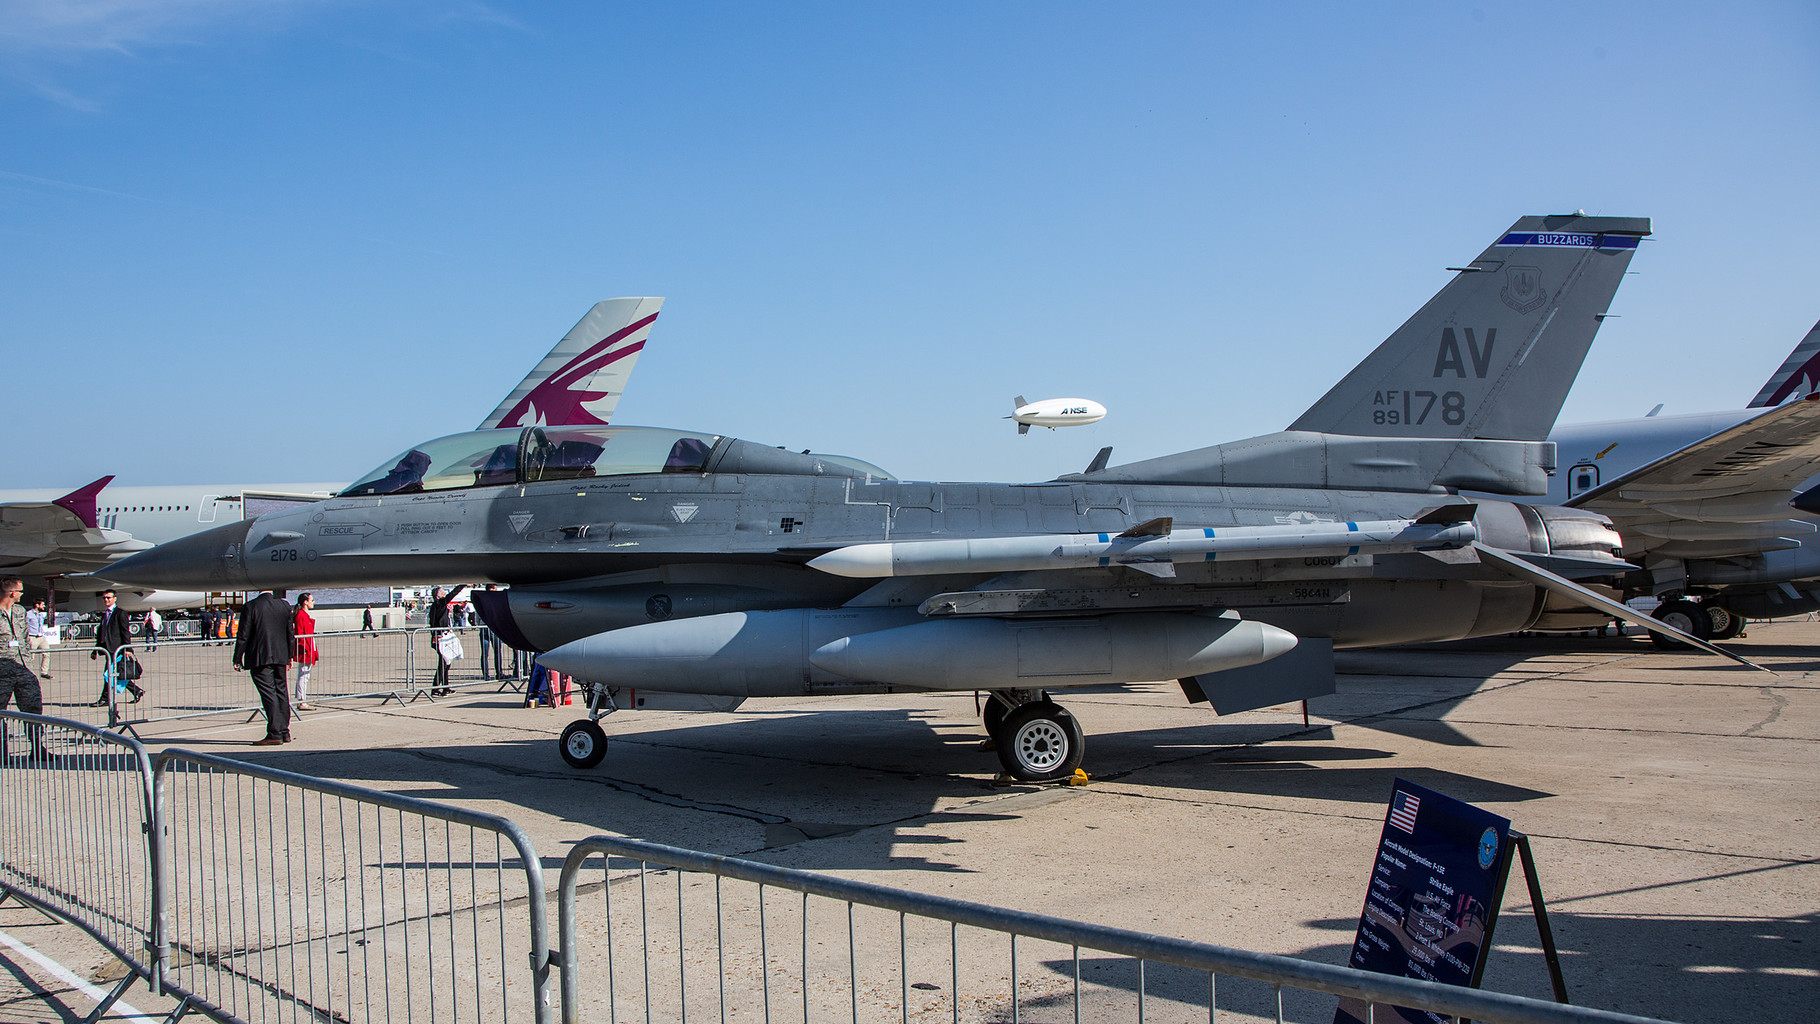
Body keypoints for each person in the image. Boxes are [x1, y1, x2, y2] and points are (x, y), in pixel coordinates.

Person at [233, 589, 295, 745]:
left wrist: (237, 657)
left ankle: (275, 732)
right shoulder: (284, 605)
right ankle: (284, 730)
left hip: (260, 656)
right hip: (281, 655)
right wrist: (289, 656)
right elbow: (290, 633)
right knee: (281, 691)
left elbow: (243, 634)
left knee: (269, 694)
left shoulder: (252, 606)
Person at [0, 578, 52, 760]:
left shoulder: (19, 611)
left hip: (24, 668)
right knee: (1, 713)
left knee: (33, 709)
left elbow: (23, 637)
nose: (22, 594)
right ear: (12, 593)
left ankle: (38, 747)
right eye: (20, 591)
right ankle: (2, 752)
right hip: (2, 670)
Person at [91, 589, 143, 706]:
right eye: (104, 598)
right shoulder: (105, 614)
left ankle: (105, 699)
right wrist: (95, 650)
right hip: (107, 649)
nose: (106, 600)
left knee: (108, 674)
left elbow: (125, 632)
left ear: (115, 598)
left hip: (117, 649)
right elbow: (101, 633)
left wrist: (127, 649)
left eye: (108, 597)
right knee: (114, 674)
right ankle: (136, 690)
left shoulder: (120, 613)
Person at [428, 585, 466, 696]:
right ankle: (436, 688)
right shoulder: (439, 604)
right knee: (443, 663)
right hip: (440, 638)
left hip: (441, 636)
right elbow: (452, 594)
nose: (445, 593)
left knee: (446, 663)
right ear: (437, 596)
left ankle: (445, 687)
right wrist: (462, 585)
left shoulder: (436, 606)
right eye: (442, 592)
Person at [292, 592, 319, 711]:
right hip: (305, 650)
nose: (313, 602)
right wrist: (306, 649)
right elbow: (300, 634)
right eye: (311, 600)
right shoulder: (301, 616)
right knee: (303, 675)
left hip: (308, 648)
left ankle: (302, 699)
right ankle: (301, 701)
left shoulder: (305, 615)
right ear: (305, 602)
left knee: (305, 675)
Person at [477, 585, 504, 680]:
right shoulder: (493, 600)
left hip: (484, 626)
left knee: (486, 652)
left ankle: (486, 674)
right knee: (496, 651)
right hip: (491, 626)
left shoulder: (482, 599)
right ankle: (498, 673)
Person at [25, 598, 52, 678]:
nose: (44, 606)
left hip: (41, 637)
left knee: (47, 653)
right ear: (37, 605)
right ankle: (28, 673)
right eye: (42, 604)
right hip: (32, 637)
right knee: (31, 656)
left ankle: (44, 672)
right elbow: (25, 625)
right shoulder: (28, 614)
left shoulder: (40, 615)